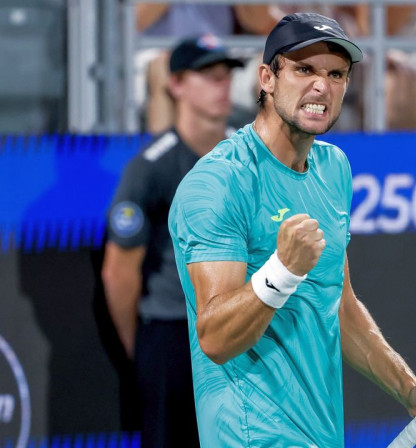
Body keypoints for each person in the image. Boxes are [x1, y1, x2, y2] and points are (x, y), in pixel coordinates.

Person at [167, 13, 416, 446]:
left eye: (336, 74)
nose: (322, 86)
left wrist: (406, 386)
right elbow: (214, 337)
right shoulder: (218, 183)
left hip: (321, 434)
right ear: (267, 78)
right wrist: (282, 271)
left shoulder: (333, 168)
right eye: (304, 69)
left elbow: (339, 304)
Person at [102, 36, 243, 447]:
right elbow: (119, 271)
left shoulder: (251, 154)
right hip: (173, 331)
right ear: (176, 85)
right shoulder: (151, 167)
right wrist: (143, 345)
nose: (221, 86)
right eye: (208, 76)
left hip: (241, 329)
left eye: (226, 76)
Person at [136, 2, 278, 133]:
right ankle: (163, 157)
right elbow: (134, 20)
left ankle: (278, 158)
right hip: (159, 52)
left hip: (221, 53)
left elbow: (261, 25)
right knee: (163, 72)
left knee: (269, 73)